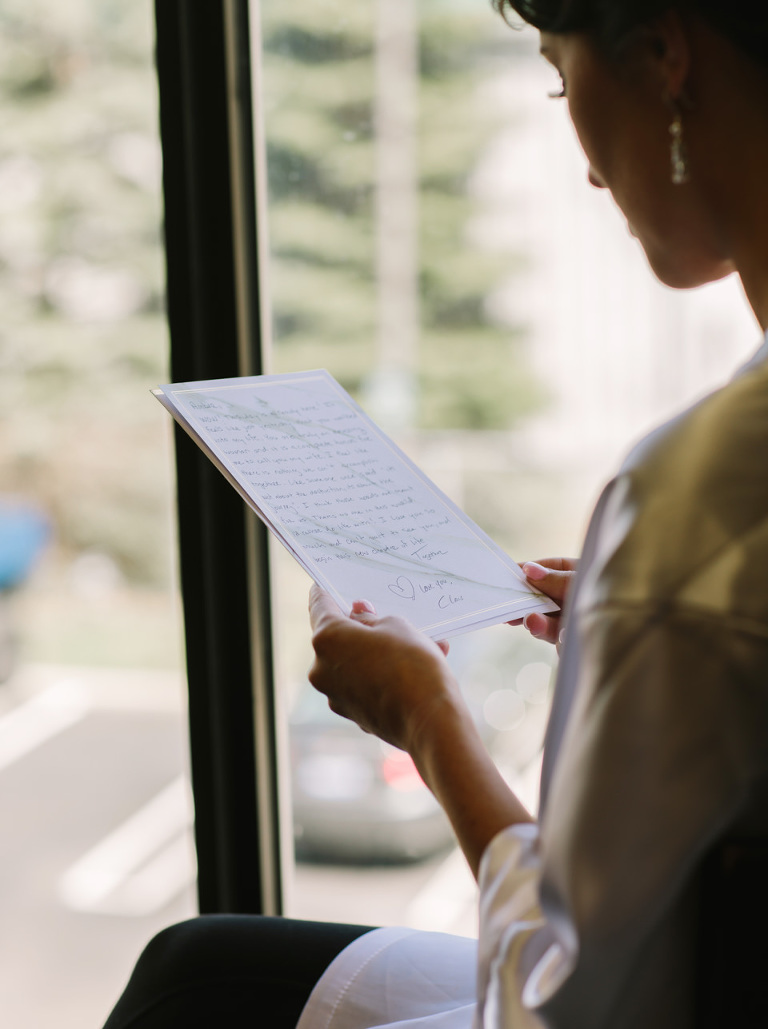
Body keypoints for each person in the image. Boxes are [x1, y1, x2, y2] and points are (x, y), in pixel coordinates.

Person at [102, 2, 768, 1027]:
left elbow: (567, 1004)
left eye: (559, 76)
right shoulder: (698, 526)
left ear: (669, 59)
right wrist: (634, 630)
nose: (588, 166)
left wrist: (430, 722)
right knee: (201, 967)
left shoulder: (703, 498)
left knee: (192, 989)